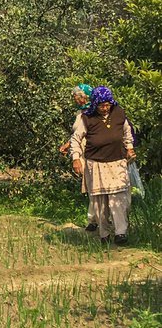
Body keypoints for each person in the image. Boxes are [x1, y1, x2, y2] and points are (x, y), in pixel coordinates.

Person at [70, 86, 136, 245]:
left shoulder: (119, 113)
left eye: (107, 104)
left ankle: (121, 233)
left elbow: (127, 132)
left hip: (117, 162)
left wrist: (129, 148)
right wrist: (76, 158)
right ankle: (104, 233)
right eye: (101, 105)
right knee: (100, 202)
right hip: (96, 164)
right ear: (95, 104)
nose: (105, 108)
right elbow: (76, 139)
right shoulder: (86, 118)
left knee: (119, 198)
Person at [60, 84, 98, 231]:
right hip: (81, 151)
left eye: (77, 96)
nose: (75, 99)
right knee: (90, 185)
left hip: (92, 151)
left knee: (96, 185)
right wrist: (68, 144)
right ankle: (93, 219)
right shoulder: (80, 112)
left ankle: (97, 219)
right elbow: (78, 133)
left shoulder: (94, 112)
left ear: (84, 96)